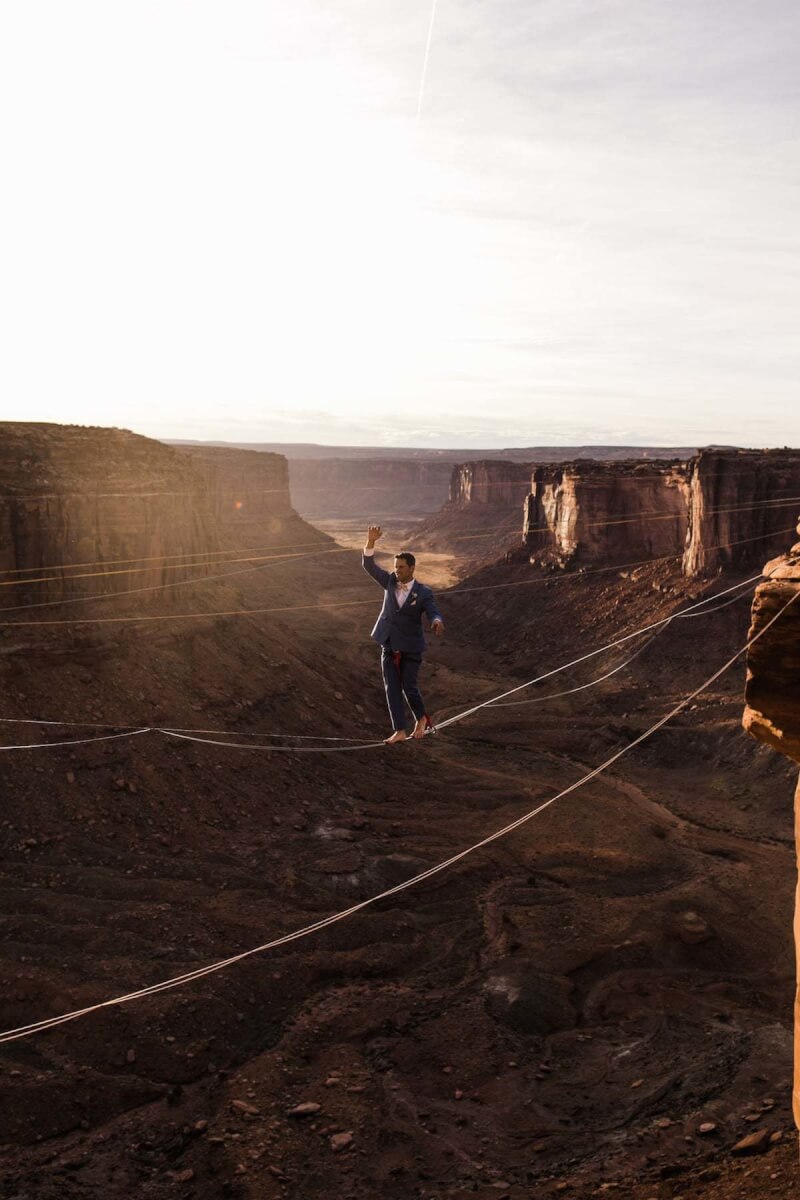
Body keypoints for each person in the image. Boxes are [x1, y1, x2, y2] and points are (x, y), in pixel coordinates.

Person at [362, 524, 445, 744]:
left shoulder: (423, 592)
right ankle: (399, 729)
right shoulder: (389, 581)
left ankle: (421, 719)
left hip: (410, 646)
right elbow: (368, 565)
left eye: (401, 567)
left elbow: (433, 611)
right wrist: (371, 542)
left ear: (412, 568)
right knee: (391, 687)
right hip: (388, 642)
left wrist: (436, 621)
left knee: (409, 686)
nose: (397, 570)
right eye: (396, 567)